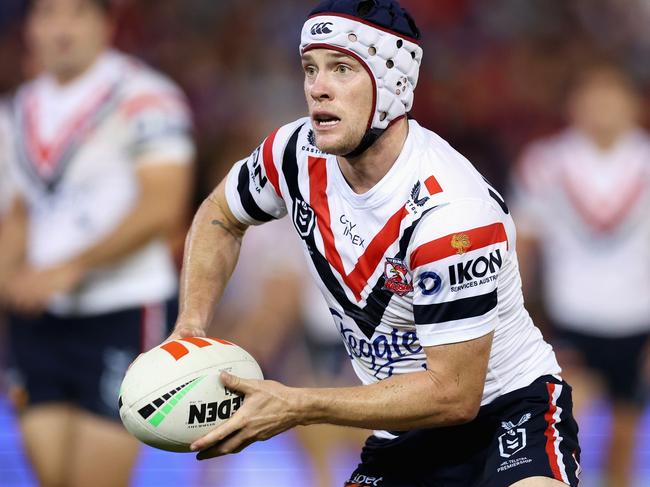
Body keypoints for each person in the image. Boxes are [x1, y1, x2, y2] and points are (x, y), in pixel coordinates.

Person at [167, 1, 580, 485]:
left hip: (507, 414)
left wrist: (297, 404)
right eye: (309, 68)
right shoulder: (294, 154)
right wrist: (190, 329)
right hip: (401, 428)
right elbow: (220, 214)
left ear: (393, 84)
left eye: (341, 68)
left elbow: (453, 394)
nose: (317, 87)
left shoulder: (453, 214)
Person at [0, 0, 194, 486]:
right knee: (51, 475)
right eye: (47, 14)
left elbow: (163, 202)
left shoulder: (146, 96)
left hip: (122, 308)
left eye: (76, 14)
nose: (60, 28)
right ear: (30, 28)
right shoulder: (19, 108)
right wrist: (8, 280)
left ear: (105, 24)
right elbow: (21, 211)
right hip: (39, 316)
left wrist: (74, 265)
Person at [511, 62, 650, 487]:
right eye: (593, 94)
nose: (603, 105)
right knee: (570, 427)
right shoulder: (544, 162)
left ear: (635, 103)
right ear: (574, 104)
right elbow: (524, 243)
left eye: (613, 94)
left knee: (626, 437)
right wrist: (518, 315)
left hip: (637, 316)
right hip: (570, 312)